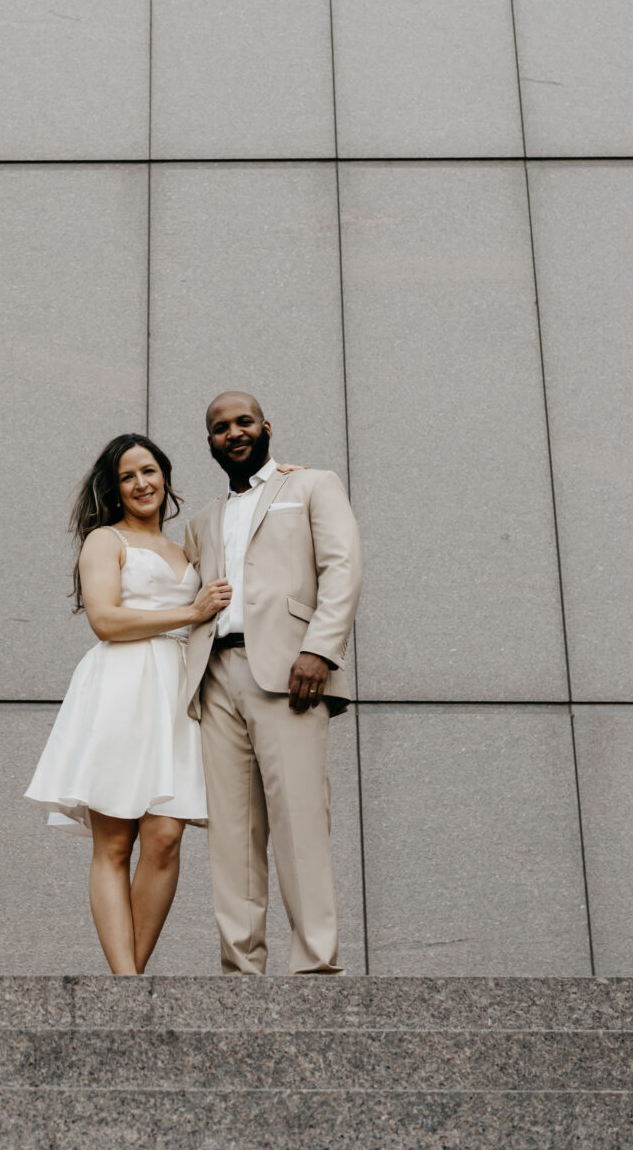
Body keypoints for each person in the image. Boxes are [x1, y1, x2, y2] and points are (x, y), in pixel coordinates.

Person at [24, 433, 230, 975]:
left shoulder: (187, 547)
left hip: (176, 694)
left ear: (165, 476)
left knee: (165, 837)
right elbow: (106, 620)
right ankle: (127, 985)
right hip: (121, 687)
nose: (141, 484)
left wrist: (281, 475)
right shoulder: (104, 540)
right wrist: (190, 614)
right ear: (114, 489)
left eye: (149, 471)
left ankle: (128, 986)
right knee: (114, 844)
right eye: (127, 476)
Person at [183, 392, 363, 975]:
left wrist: (319, 651)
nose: (232, 433)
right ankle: (240, 973)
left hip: (291, 677)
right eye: (219, 428)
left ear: (265, 426)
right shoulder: (202, 520)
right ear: (209, 442)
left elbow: (343, 567)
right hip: (215, 679)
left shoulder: (311, 485)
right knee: (231, 836)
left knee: (301, 820)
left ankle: (315, 967)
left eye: (242, 422)